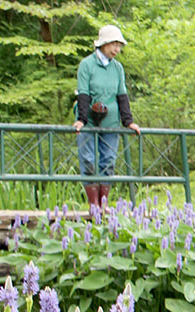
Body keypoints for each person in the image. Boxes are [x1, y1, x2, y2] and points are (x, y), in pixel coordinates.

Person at [72, 25, 141, 209]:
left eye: (119, 45)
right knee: (88, 159)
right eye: (114, 45)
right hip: (89, 115)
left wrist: (129, 122)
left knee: (108, 160)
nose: (117, 49)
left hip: (111, 118)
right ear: (103, 44)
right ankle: (92, 202)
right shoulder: (87, 65)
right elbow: (84, 93)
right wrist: (81, 119)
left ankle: (103, 203)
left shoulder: (117, 68)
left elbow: (122, 96)